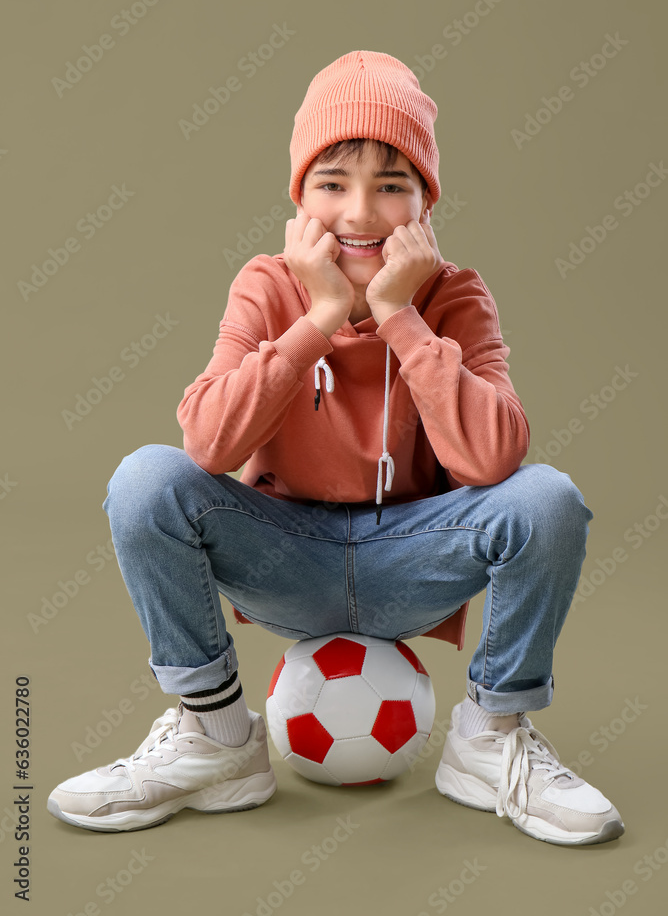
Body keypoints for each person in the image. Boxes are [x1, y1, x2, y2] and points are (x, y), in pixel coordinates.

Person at [47, 50, 624, 846]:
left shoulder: (455, 295)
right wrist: (317, 317)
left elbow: (491, 461)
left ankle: (491, 739)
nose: (360, 213)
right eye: (333, 183)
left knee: (548, 499)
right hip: (287, 555)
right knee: (146, 479)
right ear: (300, 198)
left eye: (392, 184)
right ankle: (216, 739)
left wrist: (398, 316)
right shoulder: (266, 283)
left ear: (425, 202)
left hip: (412, 560)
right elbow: (208, 441)